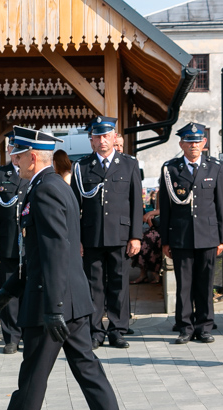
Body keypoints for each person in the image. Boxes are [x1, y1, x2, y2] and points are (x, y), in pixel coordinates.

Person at [0, 126, 136, 410]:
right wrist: (8, 291)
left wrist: (54, 308)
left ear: (31, 157)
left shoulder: (44, 189)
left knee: (31, 381)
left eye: (16, 155)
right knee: (91, 375)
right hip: (70, 302)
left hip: (53, 304)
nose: (13, 161)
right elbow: (40, 255)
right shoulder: (50, 186)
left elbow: (57, 253)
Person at [72, 116, 142, 349]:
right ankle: (95, 331)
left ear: (114, 137)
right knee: (94, 285)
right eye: (97, 136)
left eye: (106, 136)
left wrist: (136, 236)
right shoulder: (81, 167)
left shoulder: (129, 164)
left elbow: (136, 204)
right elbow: (74, 206)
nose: (102, 140)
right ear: (91, 140)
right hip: (91, 236)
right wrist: (76, 239)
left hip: (120, 235)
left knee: (119, 284)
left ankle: (117, 330)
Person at [159, 122, 223, 344]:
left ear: (204, 143)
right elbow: (166, 208)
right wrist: (166, 240)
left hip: (208, 236)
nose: (193, 145)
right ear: (181, 144)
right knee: (184, 285)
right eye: (189, 141)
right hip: (181, 237)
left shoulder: (216, 168)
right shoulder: (170, 169)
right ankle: (185, 327)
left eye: (197, 141)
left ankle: (205, 326)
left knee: (205, 283)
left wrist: (222, 238)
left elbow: (222, 207)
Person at [0, 131, 28, 354]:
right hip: (8, 243)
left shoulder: (33, 173)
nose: (15, 154)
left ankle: (29, 334)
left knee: (30, 289)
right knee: (8, 290)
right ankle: (11, 337)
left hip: (31, 243)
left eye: (19, 150)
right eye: (12, 149)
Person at [132, 189, 162, 284]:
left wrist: (150, 213)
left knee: (151, 241)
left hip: (168, 227)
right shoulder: (160, 192)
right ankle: (143, 273)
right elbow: (158, 211)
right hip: (158, 227)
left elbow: (165, 210)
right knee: (141, 239)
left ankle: (154, 272)